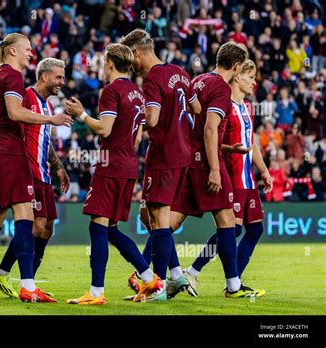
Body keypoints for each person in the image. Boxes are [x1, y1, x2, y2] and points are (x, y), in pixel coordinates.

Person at [0, 33, 72, 302]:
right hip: (9, 150)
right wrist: (51, 118)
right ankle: (27, 286)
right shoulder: (13, 76)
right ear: (13, 51)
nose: (31, 53)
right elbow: (15, 113)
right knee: (26, 219)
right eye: (27, 49)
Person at [65, 43, 163, 305]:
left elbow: (105, 129)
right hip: (129, 165)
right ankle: (149, 277)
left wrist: (81, 114)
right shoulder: (137, 93)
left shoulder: (111, 91)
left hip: (111, 166)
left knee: (97, 227)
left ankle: (96, 292)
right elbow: (138, 136)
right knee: (110, 229)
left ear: (109, 63)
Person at [170, 42, 264, 298]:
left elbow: (191, 114)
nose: (253, 81)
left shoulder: (199, 80)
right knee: (227, 224)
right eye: (249, 75)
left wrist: (262, 169)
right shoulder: (222, 90)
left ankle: (161, 275)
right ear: (236, 68)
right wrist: (214, 168)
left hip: (193, 160)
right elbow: (209, 130)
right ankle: (211, 279)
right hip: (215, 167)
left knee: (170, 222)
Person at [118, 29, 201, 301]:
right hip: (183, 153)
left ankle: (160, 287)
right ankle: (176, 275)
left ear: (138, 53)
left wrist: (131, 114)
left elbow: (151, 119)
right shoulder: (180, 72)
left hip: (164, 155)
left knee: (159, 219)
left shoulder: (153, 78)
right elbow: (197, 109)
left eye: (132, 62)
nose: (133, 69)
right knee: (153, 218)